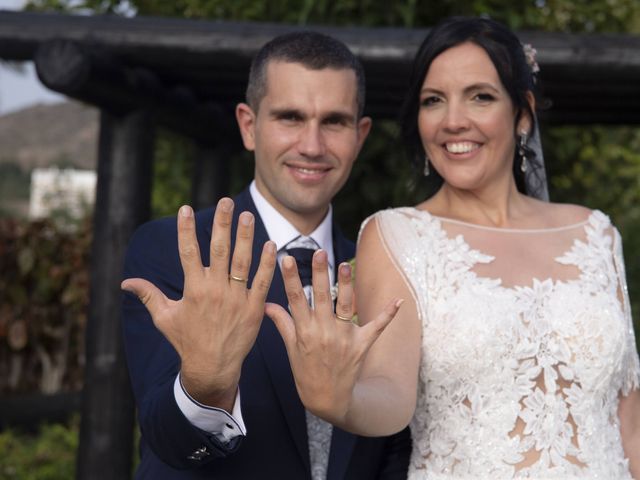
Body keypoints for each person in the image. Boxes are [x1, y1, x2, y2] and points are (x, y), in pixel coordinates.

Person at [266, 17, 640, 479]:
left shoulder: (596, 233)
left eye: (480, 96)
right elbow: (390, 395)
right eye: (433, 101)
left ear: (522, 113)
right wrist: (337, 398)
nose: (453, 120)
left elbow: (629, 426)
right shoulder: (395, 234)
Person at [120, 31, 411, 479]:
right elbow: (167, 439)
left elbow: (393, 450)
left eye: (333, 121)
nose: (312, 146)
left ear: (361, 134)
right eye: (290, 117)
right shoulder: (178, 249)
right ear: (249, 126)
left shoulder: (382, 271)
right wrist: (204, 385)